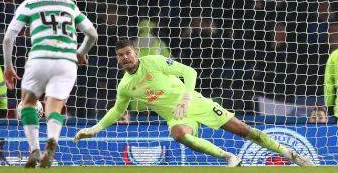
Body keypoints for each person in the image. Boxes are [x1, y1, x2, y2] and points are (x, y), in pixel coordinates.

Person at [74, 39, 315, 166]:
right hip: (177, 117)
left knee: (243, 130)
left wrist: (187, 98)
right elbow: (117, 111)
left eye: (128, 52)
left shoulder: (155, 61)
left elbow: (189, 72)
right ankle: (230, 158)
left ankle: (290, 154)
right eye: (120, 55)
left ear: (136, 52)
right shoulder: (126, 86)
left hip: (195, 103)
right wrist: (93, 129)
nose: (125, 57)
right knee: (179, 135)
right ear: (117, 59)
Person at [3, 0, 98, 168]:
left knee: (28, 103)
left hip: (39, 59)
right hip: (66, 61)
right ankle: (52, 139)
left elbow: (8, 38)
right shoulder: (69, 4)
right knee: (54, 107)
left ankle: (35, 149)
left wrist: (9, 67)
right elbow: (92, 34)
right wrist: (79, 53)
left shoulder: (30, 3)